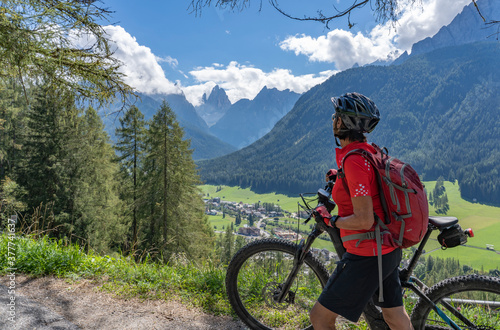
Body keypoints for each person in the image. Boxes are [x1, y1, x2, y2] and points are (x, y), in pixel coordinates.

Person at [309, 92, 413, 330]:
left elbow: (364, 219)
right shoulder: (367, 152)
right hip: (386, 248)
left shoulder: (354, 160)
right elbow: (370, 186)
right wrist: (341, 178)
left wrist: (333, 220)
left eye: (336, 116)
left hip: (367, 253)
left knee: (319, 317)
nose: (333, 119)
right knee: (395, 317)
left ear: (341, 122)